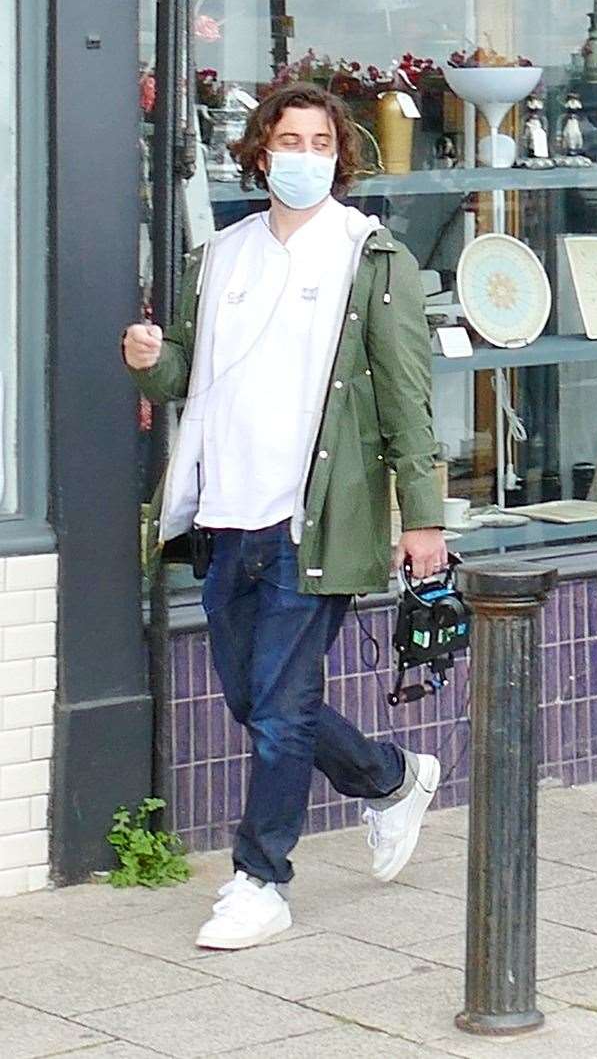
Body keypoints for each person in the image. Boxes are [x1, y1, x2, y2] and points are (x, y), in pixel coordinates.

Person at [124, 83, 446, 951]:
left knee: (278, 706)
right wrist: (153, 361)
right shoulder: (219, 254)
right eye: (287, 139)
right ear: (260, 153)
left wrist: (424, 517)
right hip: (226, 511)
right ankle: (388, 779)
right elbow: (190, 373)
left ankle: (260, 878)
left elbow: (408, 396)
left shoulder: (371, 258)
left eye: (319, 141)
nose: (302, 155)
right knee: (258, 702)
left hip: (315, 520)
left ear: (338, 157)